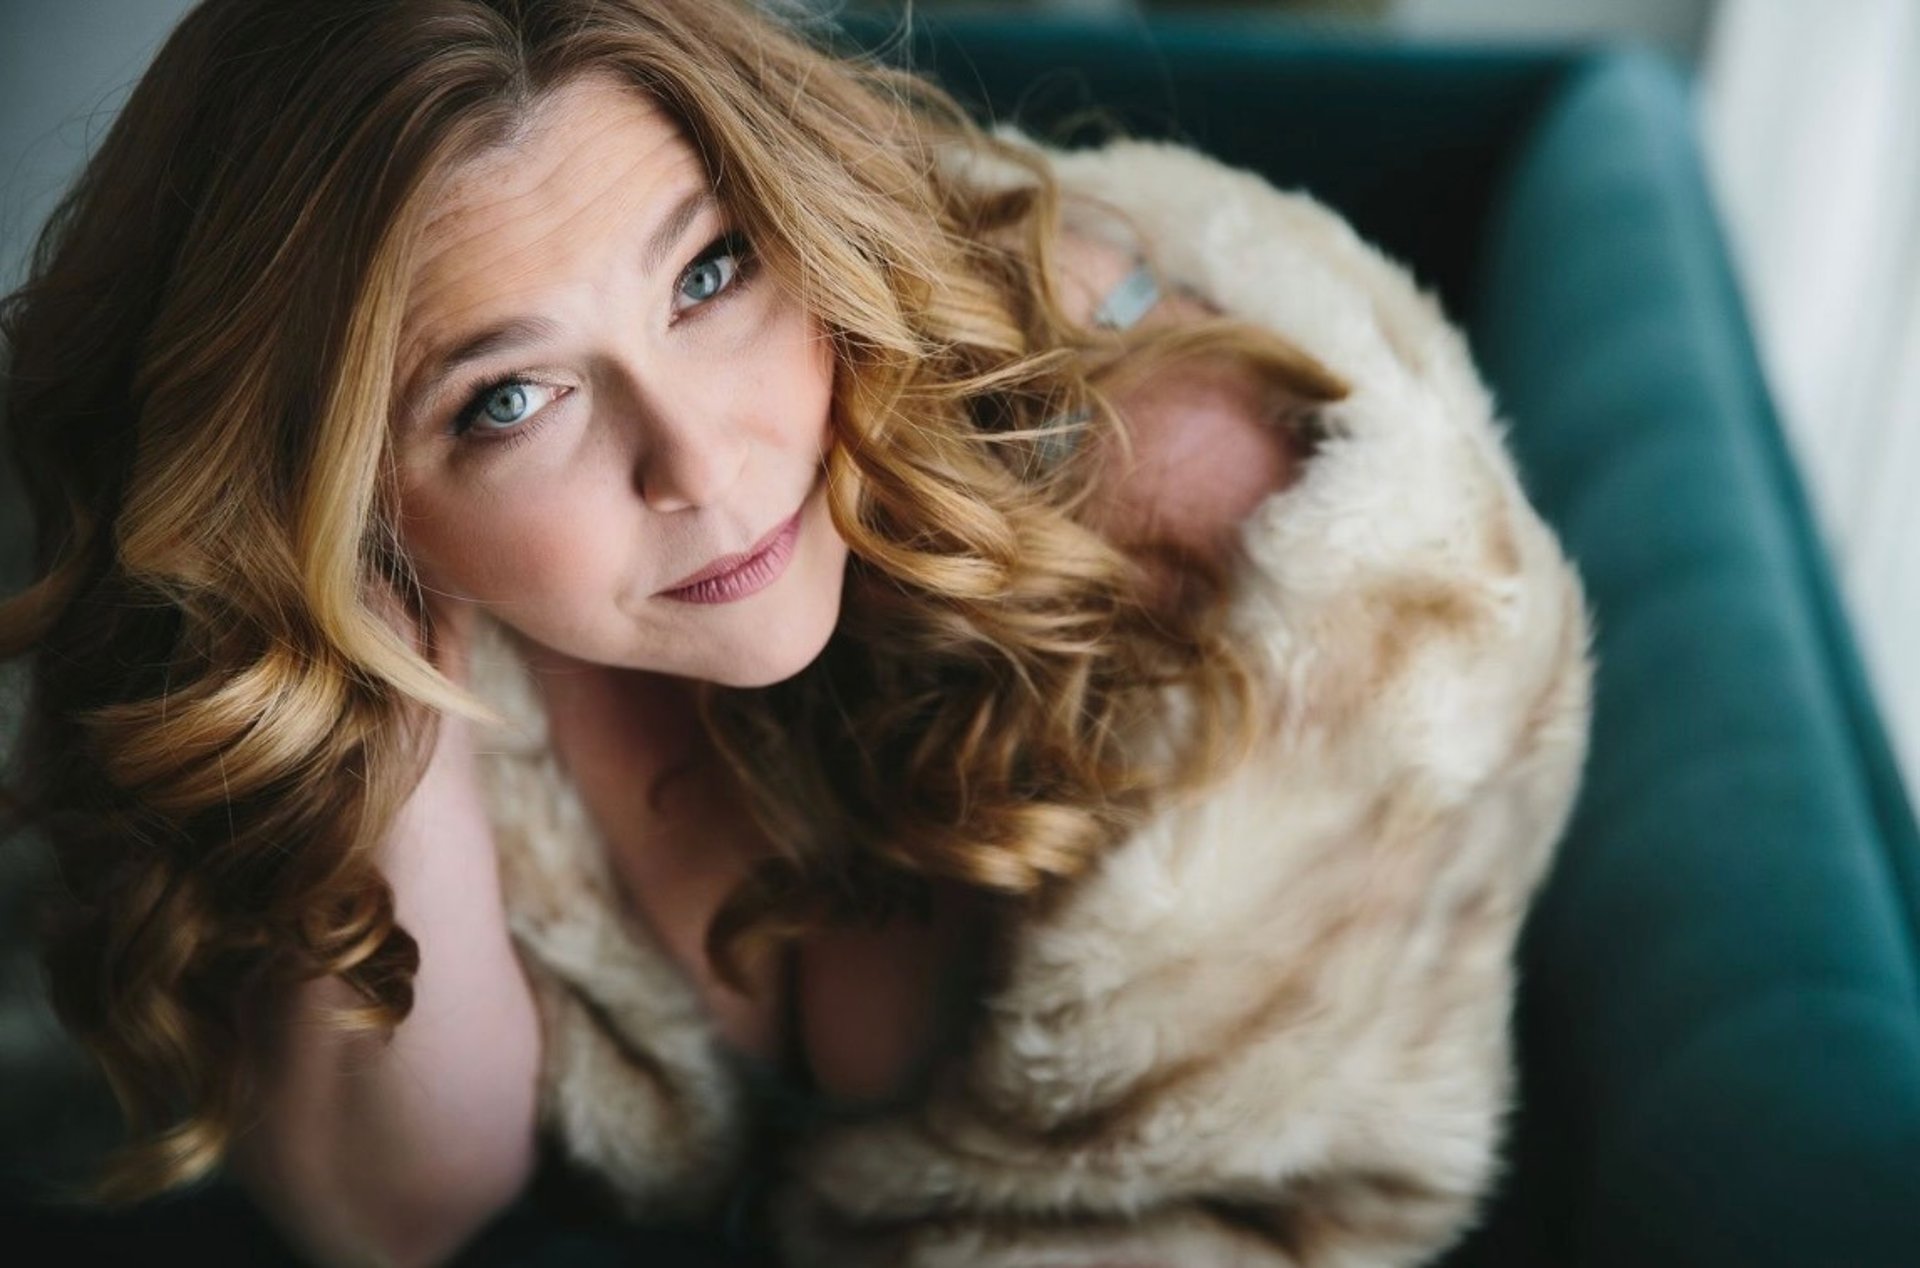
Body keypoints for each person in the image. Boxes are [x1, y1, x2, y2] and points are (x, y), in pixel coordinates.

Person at [0, 1, 1595, 1265]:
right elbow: (394, 1217)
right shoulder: (395, 601)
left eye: (710, 271)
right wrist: (372, 685)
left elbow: (1241, 1207)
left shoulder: (1224, 531)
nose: (701, 464)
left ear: (801, 211)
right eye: (509, 397)